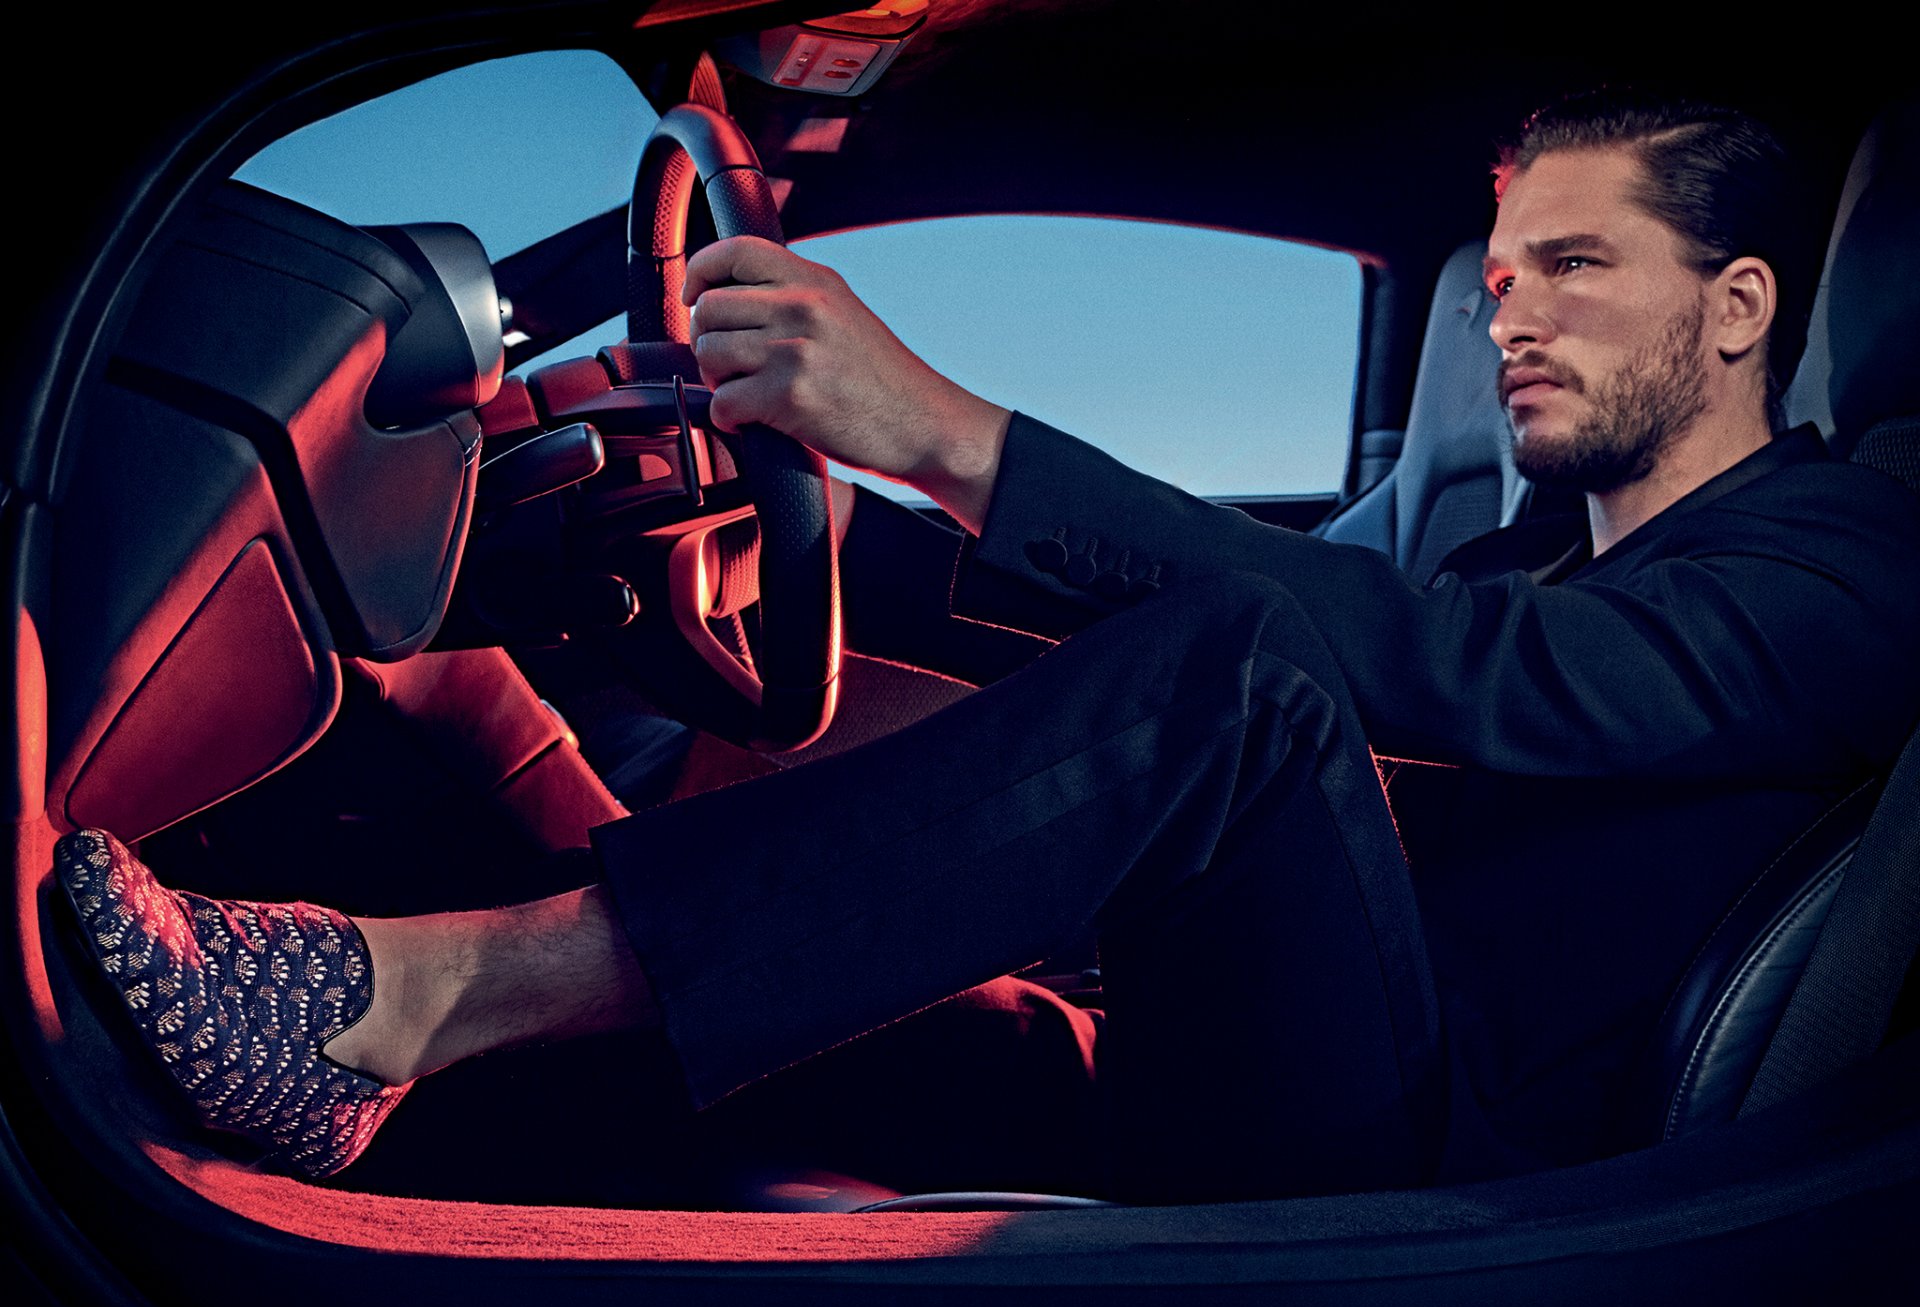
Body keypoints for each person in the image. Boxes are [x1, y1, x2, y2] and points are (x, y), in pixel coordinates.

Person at [54, 91, 1920, 1203]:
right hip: (1317, 1055)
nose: (1508, 317)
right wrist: (850, 516)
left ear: (1740, 306)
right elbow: (1348, 664)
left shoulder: (1857, 555)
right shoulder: (1521, 551)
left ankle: (398, 1006)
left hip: (1485, 1182)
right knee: (872, 1032)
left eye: (1577, 268)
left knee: (1240, 673)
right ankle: (256, 1159)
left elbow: (1452, 673)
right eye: (1499, 278)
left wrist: (948, 430)